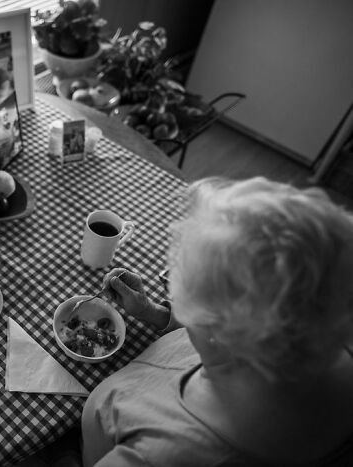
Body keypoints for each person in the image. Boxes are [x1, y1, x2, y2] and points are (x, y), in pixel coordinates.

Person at [79, 177, 353, 466]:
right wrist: (151, 312)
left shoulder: (155, 456)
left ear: (215, 323)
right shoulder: (306, 339)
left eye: (178, 278)